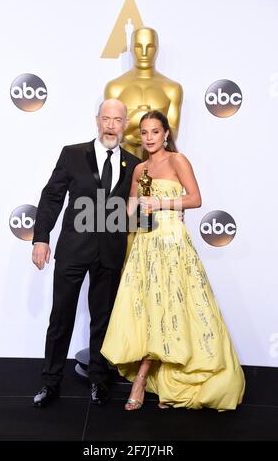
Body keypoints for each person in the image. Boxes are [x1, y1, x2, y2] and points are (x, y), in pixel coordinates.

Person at [101, 110, 245, 411]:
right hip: (145, 244)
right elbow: (131, 207)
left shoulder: (178, 160)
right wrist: (125, 210)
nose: (150, 137)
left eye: (155, 131)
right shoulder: (139, 169)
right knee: (152, 311)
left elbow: (195, 199)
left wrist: (161, 203)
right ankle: (164, 379)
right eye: (144, 132)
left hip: (173, 244)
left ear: (166, 133)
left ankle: (141, 379)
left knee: (173, 307)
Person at [32, 99, 141, 407]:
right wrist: (41, 238)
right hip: (73, 249)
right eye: (106, 118)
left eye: (117, 120)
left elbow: (132, 210)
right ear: (97, 120)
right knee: (60, 318)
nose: (111, 125)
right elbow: (52, 196)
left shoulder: (132, 164)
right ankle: (50, 382)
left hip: (110, 251)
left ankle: (99, 379)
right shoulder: (72, 154)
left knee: (103, 320)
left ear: (125, 123)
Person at [105, 27, 183, 159]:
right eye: (138, 47)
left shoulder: (172, 88)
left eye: (150, 47)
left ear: (157, 49)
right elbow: (109, 132)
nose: (144, 53)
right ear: (131, 49)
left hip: (158, 166)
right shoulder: (115, 88)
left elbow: (172, 133)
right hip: (123, 165)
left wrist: (134, 129)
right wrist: (137, 120)